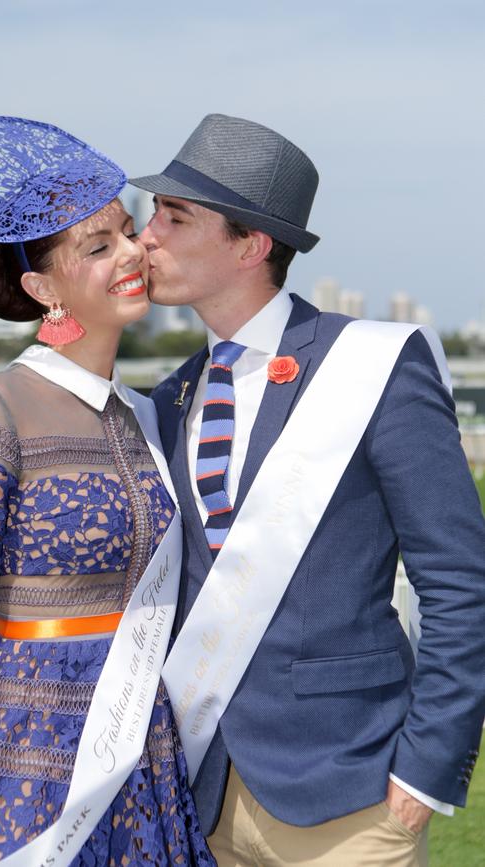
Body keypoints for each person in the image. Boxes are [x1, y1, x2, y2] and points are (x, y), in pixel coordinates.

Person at [131, 113, 485, 867]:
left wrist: (429, 766)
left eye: (174, 215)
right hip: (203, 790)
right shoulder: (169, 396)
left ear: (250, 245)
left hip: (349, 794)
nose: (146, 234)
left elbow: (458, 579)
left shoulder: (375, 366)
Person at [0, 116, 215, 866]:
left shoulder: (147, 416)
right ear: (40, 286)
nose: (132, 253)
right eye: (98, 245)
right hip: (31, 756)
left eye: (125, 231)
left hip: (141, 749)